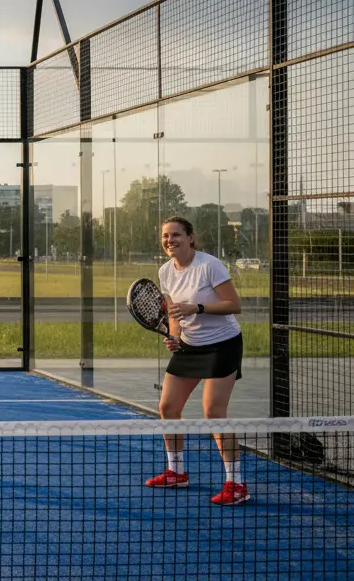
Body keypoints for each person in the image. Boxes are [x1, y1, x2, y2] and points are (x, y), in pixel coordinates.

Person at [145, 216, 248, 506]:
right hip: (190, 346)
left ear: (191, 237)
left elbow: (234, 305)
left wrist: (198, 307)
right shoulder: (165, 272)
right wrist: (174, 337)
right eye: (165, 236)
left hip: (223, 345)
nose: (170, 240)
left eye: (176, 234)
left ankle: (236, 483)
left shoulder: (209, 265)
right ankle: (176, 472)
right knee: (168, 407)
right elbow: (175, 315)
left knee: (214, 411)